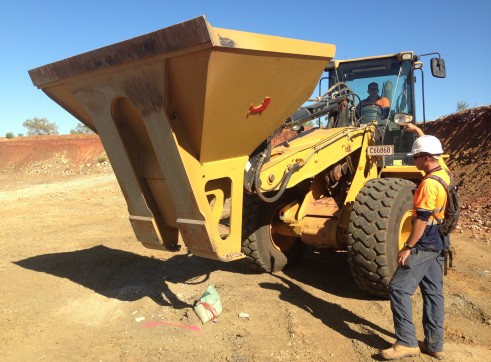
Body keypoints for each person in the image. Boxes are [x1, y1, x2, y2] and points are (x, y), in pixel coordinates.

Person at [380, 127, 449, 361]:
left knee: (398, 288)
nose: (414, 160)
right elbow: (429, 148)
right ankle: (435, 344)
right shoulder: (444, 173)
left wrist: (407, 247)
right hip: (439, 240)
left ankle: (407, 342)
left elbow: (420, 220)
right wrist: (418, 133)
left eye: (417, 156)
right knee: (433, 292)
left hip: (425, 241)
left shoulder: (428, 185)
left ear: (427, 158)